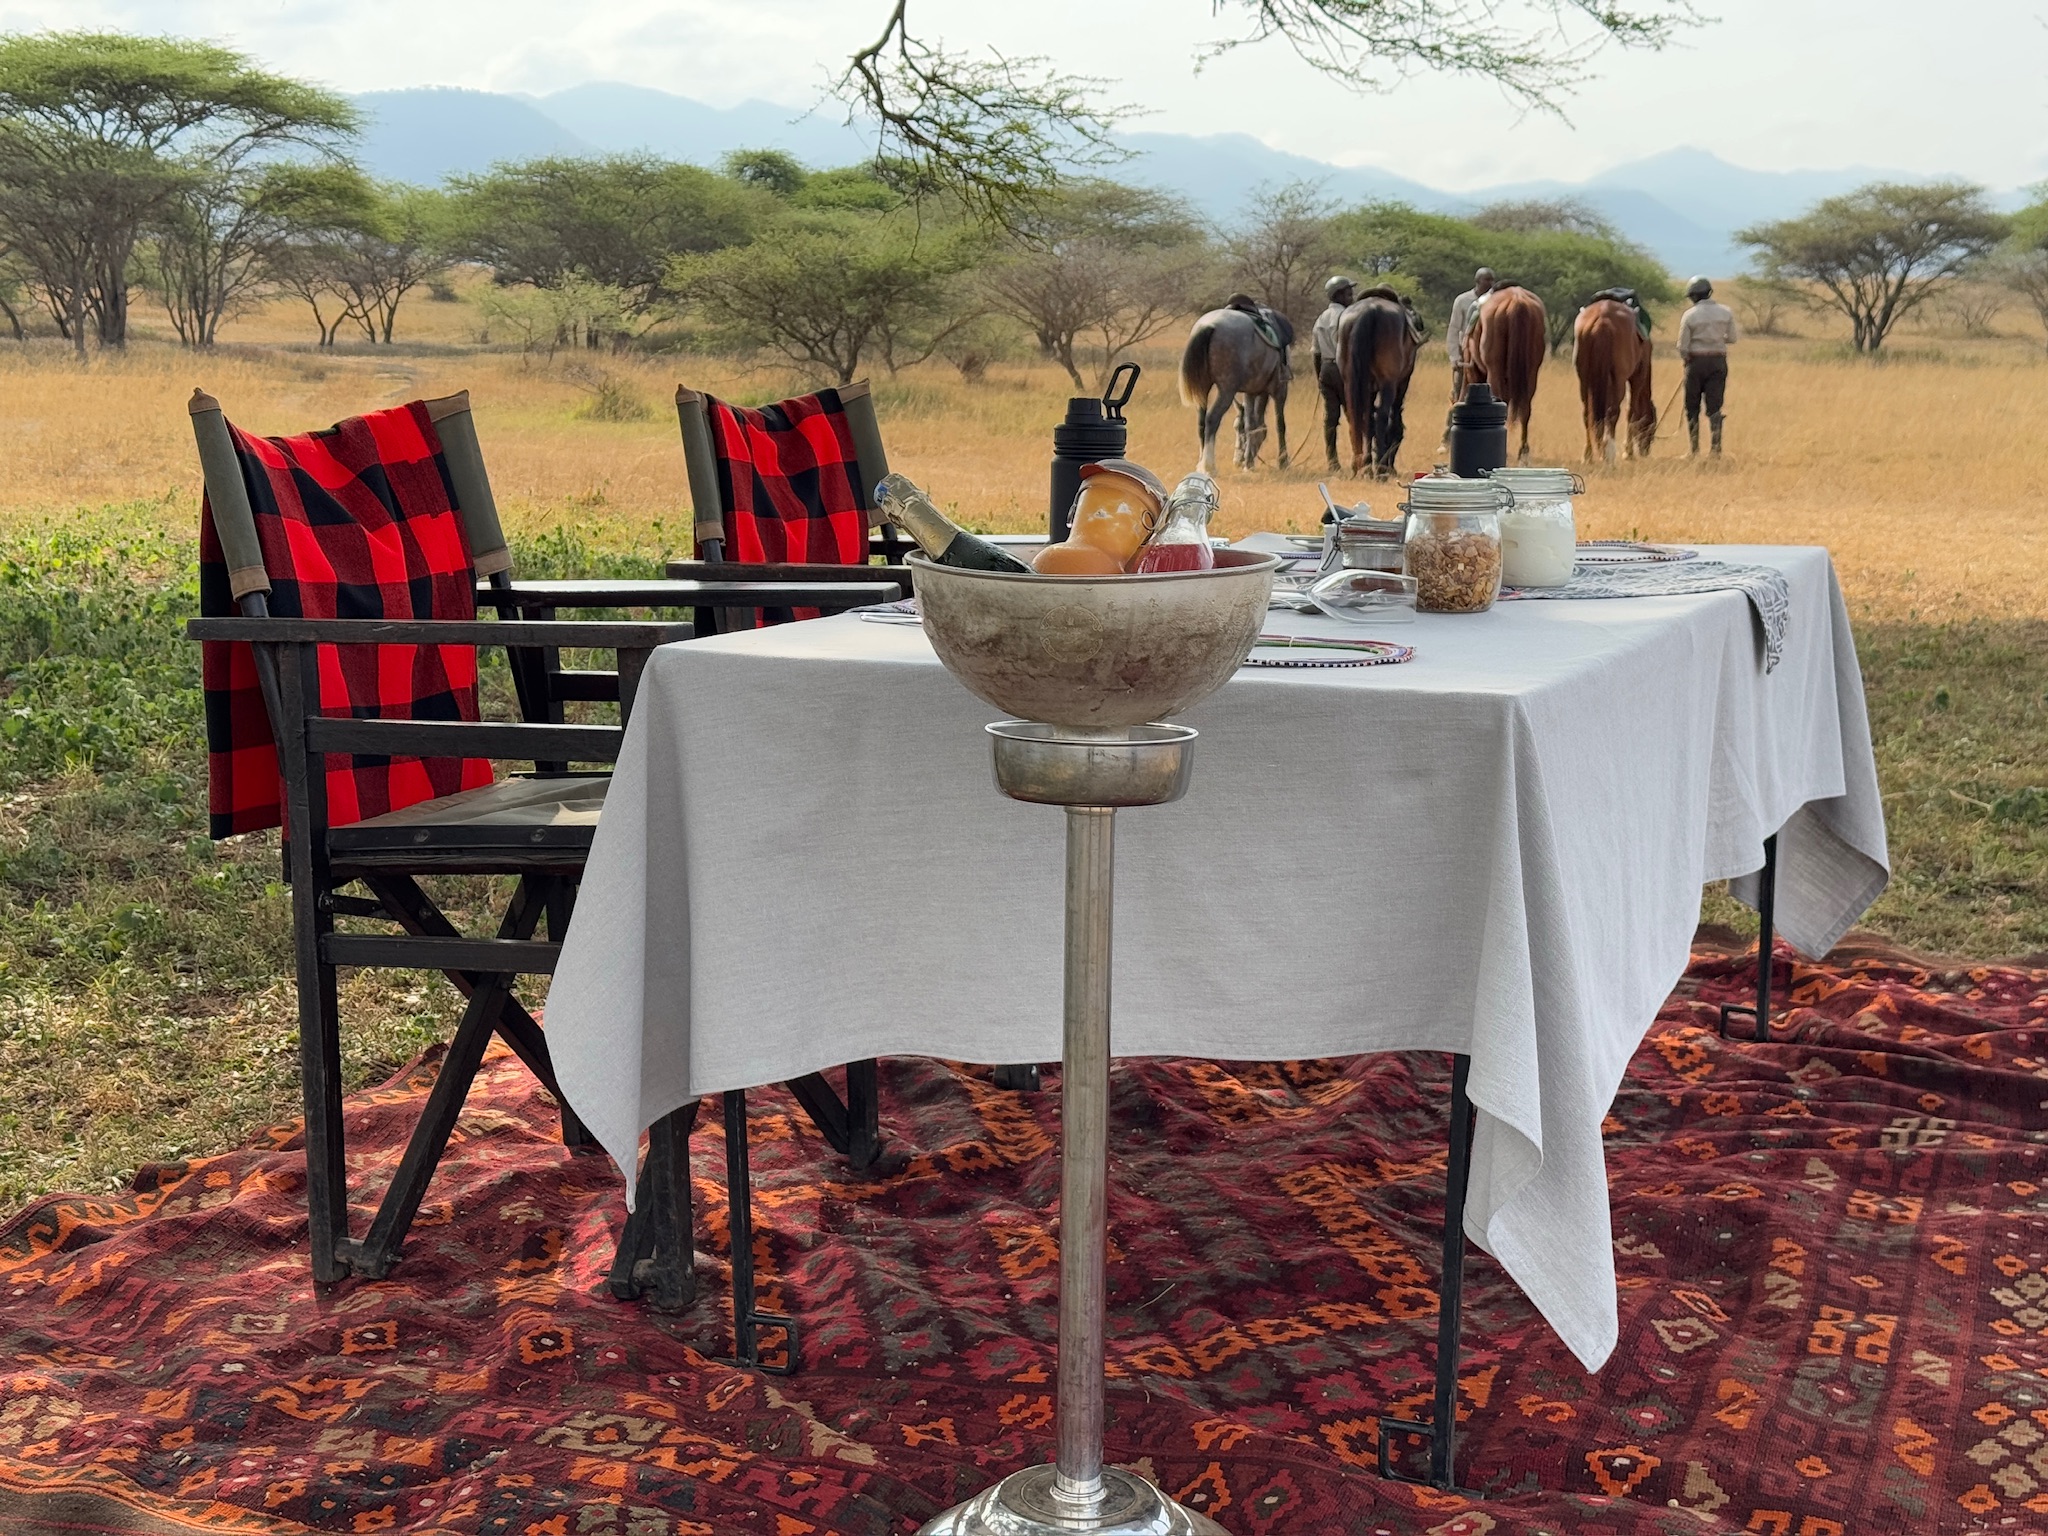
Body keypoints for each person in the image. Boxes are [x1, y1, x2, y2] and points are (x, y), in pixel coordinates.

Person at [1677, 275, 1738, 456]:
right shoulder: (1726, 312)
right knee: (1715, 407)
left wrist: (1686, 359)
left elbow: (1682, 346)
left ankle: (1694, 451)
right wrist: (1717, 340)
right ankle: (1715, 449)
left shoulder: (1689, 315)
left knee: (1692, 407)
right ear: (1709, 293)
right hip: (1718, 361)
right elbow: (1733, 338)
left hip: (1695, 363)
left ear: (1693, 296)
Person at [1312, 274, 1356, 470]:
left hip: (1326, 369)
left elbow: (1316, 352)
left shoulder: (1321, 318)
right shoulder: (1345, 316)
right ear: (1338, 295)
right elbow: (1346, 347)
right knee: (1354, 413)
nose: (1352, 296)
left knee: (1330, 417)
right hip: (1343, 368)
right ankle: (1359, 456)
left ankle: (1332, 459)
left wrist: (1319, 377)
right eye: (1348, 293)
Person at [1445, 267, 1495, 401]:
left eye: (1492, 280)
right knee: (1461, 392)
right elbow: (1454, 329)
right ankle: (1454, 420)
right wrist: (1454, 357)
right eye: (1487, 279)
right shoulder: (1462, 300)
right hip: (1466, 354)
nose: (1490, 283)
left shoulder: (1495, 301)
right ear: (1477, 281)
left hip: (1489, 353)